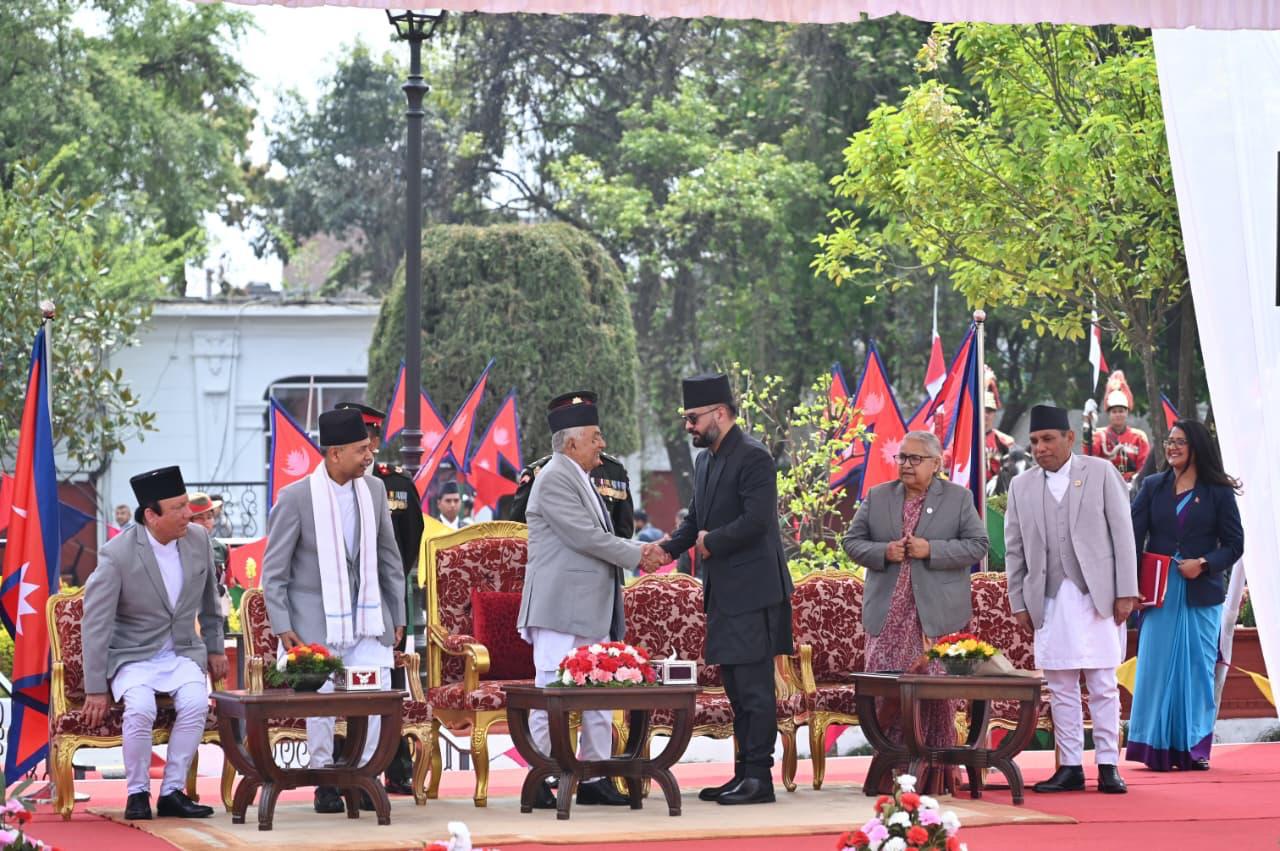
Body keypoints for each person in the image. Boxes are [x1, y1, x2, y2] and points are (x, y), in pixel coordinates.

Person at [516, 390, 666, 809]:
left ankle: (596, 775)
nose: (602, 443)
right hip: (560, 608)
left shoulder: (578, 476)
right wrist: (641, 553)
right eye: (596, 436)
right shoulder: (552, 478)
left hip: (590, 607)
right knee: (552, 697)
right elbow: (586, 537)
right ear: (572, 442)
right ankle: (541, 777)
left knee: (599, 690)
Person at [261, 407, 406, 814]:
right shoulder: (296, 497)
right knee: (320, 701)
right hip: (313, 622)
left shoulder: (374, 490)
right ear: (335, 453)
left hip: (368, 616)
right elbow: (274, 572)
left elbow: (388, 557)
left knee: (378, 694)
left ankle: (364, 773)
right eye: (361, 449)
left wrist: (397, 614)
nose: (369, 456)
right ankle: (324, 778)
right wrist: (282, 626)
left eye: (369, 449)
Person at [659, 373, 793, 806]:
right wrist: (662, 551)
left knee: (755, 688)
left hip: (755, 591)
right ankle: (743, 774)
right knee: (736, 686)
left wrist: (710, 543)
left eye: (693, 418)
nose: (689, 427)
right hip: (724, 592)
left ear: (720, 413)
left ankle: (760, 778)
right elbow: (696, 519)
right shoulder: (707, 460)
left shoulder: (753, 457)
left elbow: (757, 522)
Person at [1004, 405, 1139, 795]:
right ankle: (1069, 767)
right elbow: (1014, 550)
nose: (1040, 448)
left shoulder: (1099, 472)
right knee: (1060, 685)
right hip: (1047, 598)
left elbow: (1123, 534)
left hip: (1098, 595)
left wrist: (1126, 591)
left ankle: (1109, 765)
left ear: (1069, 438)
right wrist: (1018, 602)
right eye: (1033, 441)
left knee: (1102, 682)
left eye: (1047, 439)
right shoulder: (1021, 486)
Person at [82, 466, 227, 820]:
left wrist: (215, 648)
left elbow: (210, 601)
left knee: (195, 703)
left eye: (185, 505)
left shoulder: (198, 540)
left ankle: (173, 791)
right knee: (142, 708)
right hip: (133, 655)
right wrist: (95, 688)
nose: (188, 513)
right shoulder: (117, 554)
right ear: (151, 514)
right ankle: (137, 793)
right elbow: (96, 623)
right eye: (177, 507)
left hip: (180, 651)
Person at [842, 430, 989, 771]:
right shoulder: (878, 497)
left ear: (937, 463)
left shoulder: (958, 498)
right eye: (902, 458)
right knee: (888, 692)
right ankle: (890, 769)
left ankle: (937, 772)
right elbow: (852, 542)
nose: (906, 465)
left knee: (935, 698)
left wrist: (932, 550)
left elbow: (979, 545)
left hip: (937, 620)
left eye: (915, 459)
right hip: (888, 617)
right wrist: (883, 552)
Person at [1125, 419, 1244, 771]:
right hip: (1159, 592)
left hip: (1201, 593)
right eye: (1169, 441)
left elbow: (1235, 544)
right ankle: (1154, 747)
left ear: (1197, 447)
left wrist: (1205, 563)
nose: (1172, 447)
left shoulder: (1218, 491)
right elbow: (1132, 538)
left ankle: (1192, 747)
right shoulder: (1152, 486)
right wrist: (1130, 588)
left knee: (1195, 670)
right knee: (1156, 668)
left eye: (1180, 442)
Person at [336, 401, 426, 795]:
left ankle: (394, 765)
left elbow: (405, 548)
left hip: (385, 598)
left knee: (386, 681)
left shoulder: (396, 485)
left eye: (370, 437)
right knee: (337, 686)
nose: (368, 446)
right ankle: (339, 769)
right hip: (337, 605)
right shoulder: (322, 488)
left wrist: (386, 594)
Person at [510, 438, 636, 540]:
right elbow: (518, 529)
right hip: (554, 564)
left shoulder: (613, 471)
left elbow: (624, 531)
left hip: (601, 565)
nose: (601, 443)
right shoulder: (539, 472)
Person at [1087, 371, 1150, 484]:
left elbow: (1144, 466)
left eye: (1121, 411)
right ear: (1108, 414)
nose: (1118, 415)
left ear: (1127, 412)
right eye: (1114, 411)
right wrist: (1087, 427)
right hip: (1105, 484)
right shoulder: (1098, 436)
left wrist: (1135, 482)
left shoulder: (1139, 437)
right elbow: (1089, 457)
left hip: (1132, 486)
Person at [983, 367, 1015, 484]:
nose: (986, 415)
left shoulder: (1006, 441)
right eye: (983, 410)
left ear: (995, 413)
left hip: (998, 494)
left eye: (989, 411)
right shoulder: (964, 440)